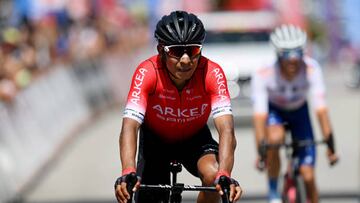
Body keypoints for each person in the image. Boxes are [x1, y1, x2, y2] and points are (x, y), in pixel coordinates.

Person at [114, 10, 242, 203]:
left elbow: (227, 130)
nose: (185, 60)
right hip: (155, 142)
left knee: (214, 179)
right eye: (175, 51)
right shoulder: (146, 72)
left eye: (193, 50)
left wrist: (224, 174)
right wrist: (128, 171)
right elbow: (130, 126)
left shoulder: (212, 72)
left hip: (195, 138)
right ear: (160, 50)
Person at [251, 24, 339, 203]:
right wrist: (261, 151)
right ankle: (274, 191)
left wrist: (331, 144)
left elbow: (321, 110)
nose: (293, 60)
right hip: (276, 111)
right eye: (286, 54)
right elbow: (260, 116)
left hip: (300, 112)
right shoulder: (263, 73)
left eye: (298, 53)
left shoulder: (312, 69)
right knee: (275, 140)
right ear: (277, 54)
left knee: (308, 176)